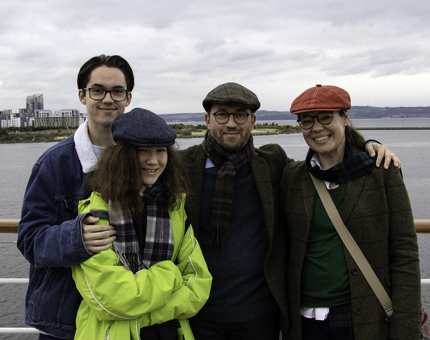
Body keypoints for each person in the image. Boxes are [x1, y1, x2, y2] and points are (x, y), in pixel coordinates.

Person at [182, 82, 399, 340]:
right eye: (222, 114)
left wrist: (369, 147)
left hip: (259, 314)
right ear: (208, 119)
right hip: (197, 310)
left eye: (240, 114)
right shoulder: (182, 166)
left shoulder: (272, 163)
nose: (231, 123)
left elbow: (325, 165)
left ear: (252, 121)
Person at [279, 84, 421, 339]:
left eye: (326, 117)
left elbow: (405, 254)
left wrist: (405, 330)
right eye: (307, 121)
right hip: (304, 322)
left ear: (345, 118)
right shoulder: (293, 177)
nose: (317, 128)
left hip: (363, 318)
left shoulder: (381, 171)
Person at [17, 54, 133, 339]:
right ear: (82, 95)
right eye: (98, 90)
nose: (108, 99)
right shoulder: (53, 164)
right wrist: (75, 238)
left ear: (128, 98)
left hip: (129, 314)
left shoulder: (145, 159)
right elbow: (29, 239)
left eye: (117, 91)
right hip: (66, 320)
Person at [71, 108, 212, 340]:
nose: (153, 160)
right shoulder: (96, 212)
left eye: (161, 151)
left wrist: (143, 316)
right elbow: (112, 299)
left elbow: (199, 285)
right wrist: (171, 274)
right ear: (123, 155)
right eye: (142, 151)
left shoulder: (174, 208)